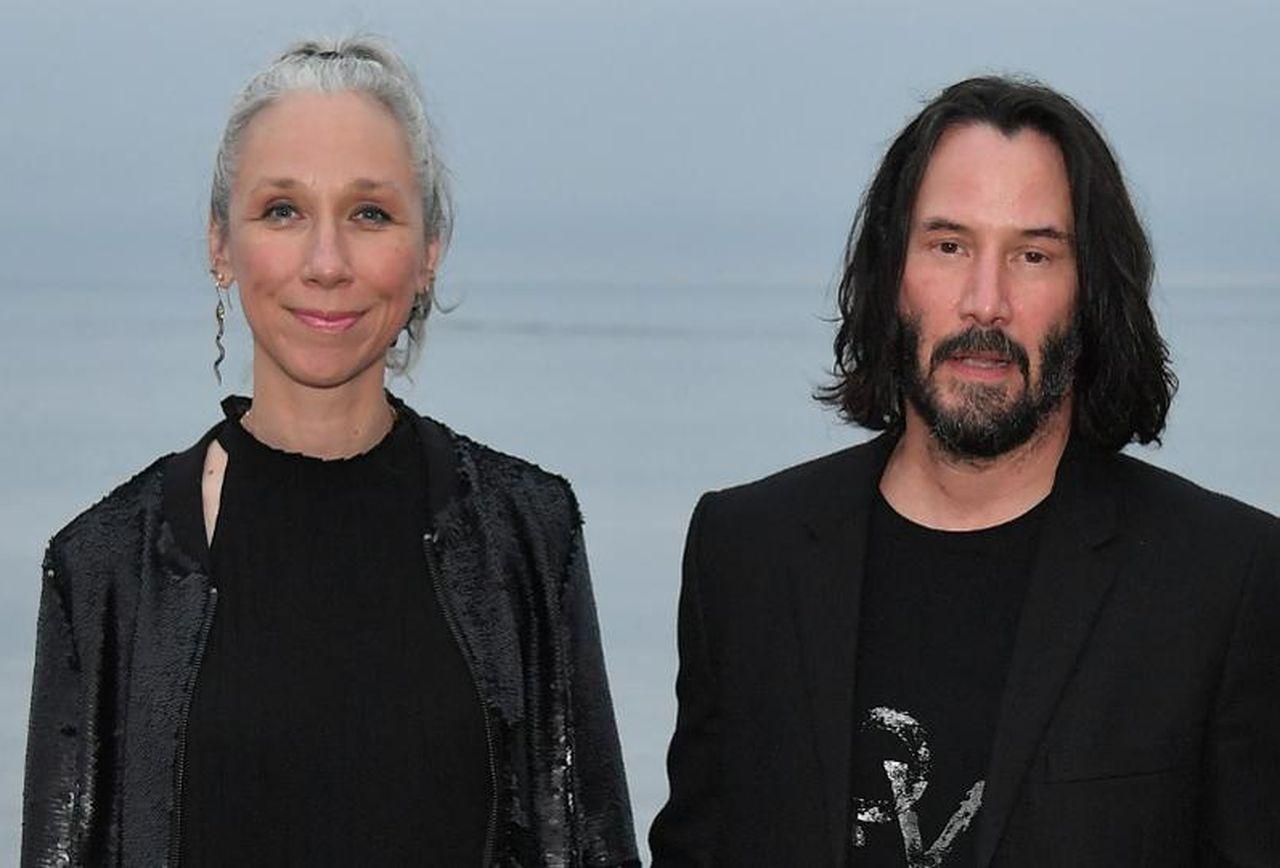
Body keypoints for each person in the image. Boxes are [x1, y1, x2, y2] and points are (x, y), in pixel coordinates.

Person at [22, 36, 637, 867]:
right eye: (283, 210)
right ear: (219, 244)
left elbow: (590, 842)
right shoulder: (104, 567)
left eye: (369, 214)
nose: (326, 263)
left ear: (428, 252)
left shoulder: (527, 535)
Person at [649, 76, 1279, 866]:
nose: (987, 302)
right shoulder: (745, 555)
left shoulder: (1228, 582)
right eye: (949, 246)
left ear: (1088, 294)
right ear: (892, 272)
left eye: (1033, 255)